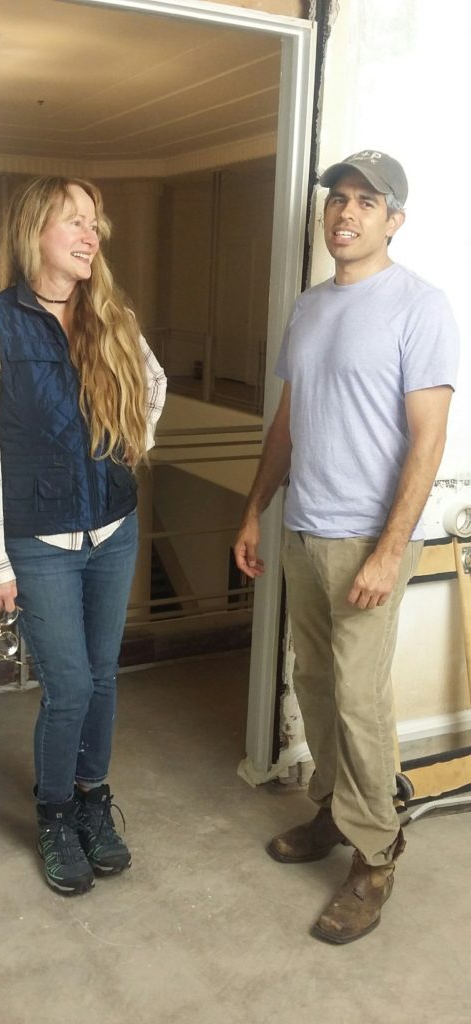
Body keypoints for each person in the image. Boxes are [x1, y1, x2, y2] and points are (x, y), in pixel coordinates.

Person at [234, 151, 459, 944]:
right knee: (317, 682)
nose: (346, 212)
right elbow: (289, 424)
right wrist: (255, 509)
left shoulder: (418, 306)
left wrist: (390, 550)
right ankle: (333, 809)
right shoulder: (309, 307)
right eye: (339, 198)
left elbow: (428, 440)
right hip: (304, 527)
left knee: (361, 702)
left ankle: (377, 852)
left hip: (369, 538)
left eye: (367, 202)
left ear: (393, 220)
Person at [0, 176, 167, 896]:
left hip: (114, 528)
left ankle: (90, 800)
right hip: (38, 540)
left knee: (104, 676)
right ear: (33, 233)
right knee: (71, 684)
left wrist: (122, 442)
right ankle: (54, 811)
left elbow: (154, 386)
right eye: (74, 222)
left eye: (95, 223)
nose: (91, 235)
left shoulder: (110, 315)